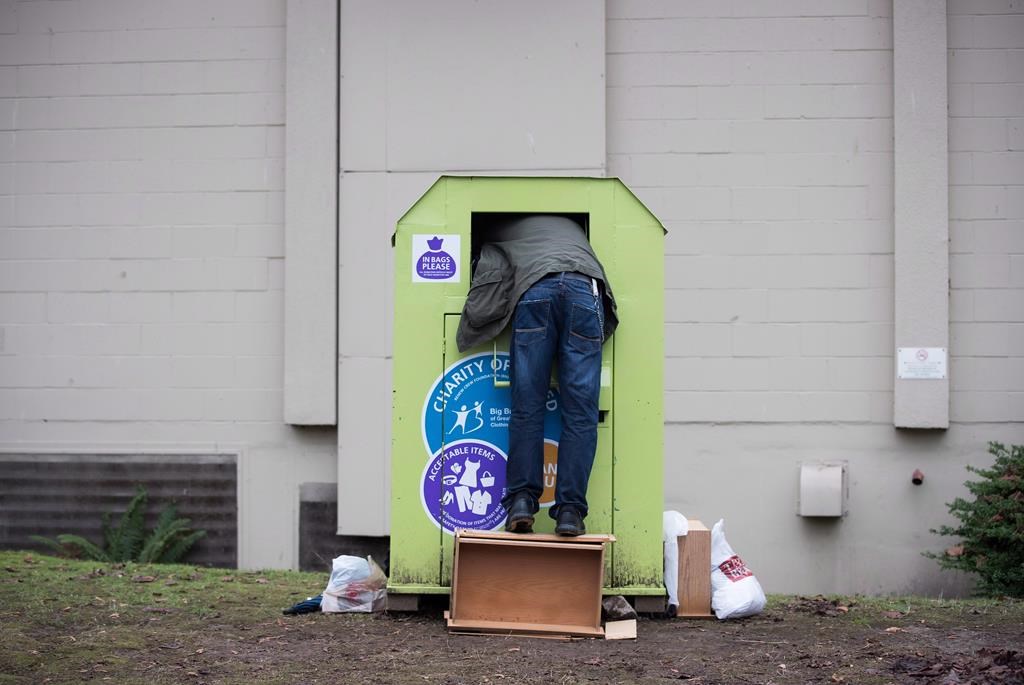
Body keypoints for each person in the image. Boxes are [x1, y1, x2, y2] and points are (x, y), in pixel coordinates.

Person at [456, 215, 617, 536]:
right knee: (581, 414)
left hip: (536, 290)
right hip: (586, 289)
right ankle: (570, 512)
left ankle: (521, 502)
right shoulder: (569, 229)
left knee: (527, 406)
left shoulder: (494, 232)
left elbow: (487, 282)